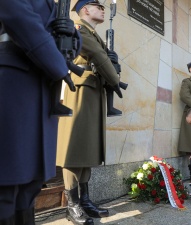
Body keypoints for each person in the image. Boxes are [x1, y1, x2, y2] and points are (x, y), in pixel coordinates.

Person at [0, 1, 78, 224]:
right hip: (14, 85)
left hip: (42, 91)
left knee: (30, 185)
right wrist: (58, 65)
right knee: (7, 183)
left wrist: (70, 31)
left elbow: (71, 43)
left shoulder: (54, 5)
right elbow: (17, 16)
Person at [56, 0, 123, 224]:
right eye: (98, 6)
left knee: (87, 150)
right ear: (85, 9)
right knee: (75, 150)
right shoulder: (80, 29)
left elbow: (103, 57)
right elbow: (97, 56)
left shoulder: (94, 32)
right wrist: (115, 79)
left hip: (93, 91)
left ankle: (85, 200)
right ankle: (72, 206)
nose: (102, 9)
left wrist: (112, 64)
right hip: (80, 90)